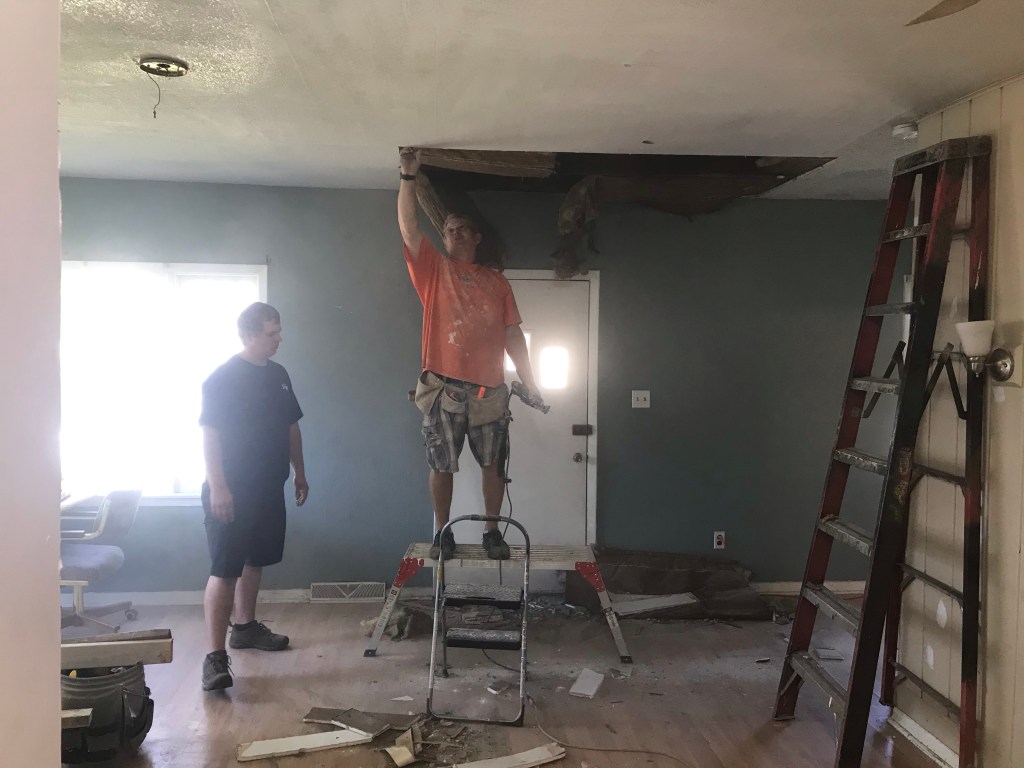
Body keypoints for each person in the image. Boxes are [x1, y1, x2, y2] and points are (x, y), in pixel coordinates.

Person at [398, 147, 540, 562]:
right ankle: (442, 532)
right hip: (442, 389)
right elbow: (409, 228)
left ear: (477, 238)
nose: (454, 233)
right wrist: (407, 177)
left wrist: (530, 380)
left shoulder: (497, 283)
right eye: (449, 229)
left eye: (462, 229)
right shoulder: (433, 270)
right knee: (441, 465)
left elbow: (513, 334)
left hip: (489, 391)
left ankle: (492, 533)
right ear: (443, 239)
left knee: (493, 464)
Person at [198, 302, 308, 692]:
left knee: (254, 560)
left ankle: (244, 628)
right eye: (271, 333)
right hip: (231, 489)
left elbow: (291, 426)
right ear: (248, 335)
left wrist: (299, 472)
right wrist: (219, 486)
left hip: (269, 486)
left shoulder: (278, 375)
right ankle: (214, 658)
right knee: (225, 569)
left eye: (278, 332)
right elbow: (210, 434)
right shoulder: (222, 379)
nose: (279, 339)